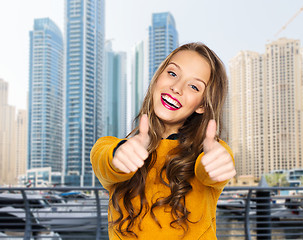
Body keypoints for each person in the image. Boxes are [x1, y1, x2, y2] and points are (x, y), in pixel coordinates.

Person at [91, 42, 236, 239]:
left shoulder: (211, 152)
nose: (176, 88)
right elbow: (104, 160)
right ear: (157, 78)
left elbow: (211, 169)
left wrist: (215, 164)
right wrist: (119, 156)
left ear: (202, 105)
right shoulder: (111, 146)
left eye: (194, 86)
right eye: (172, 74)